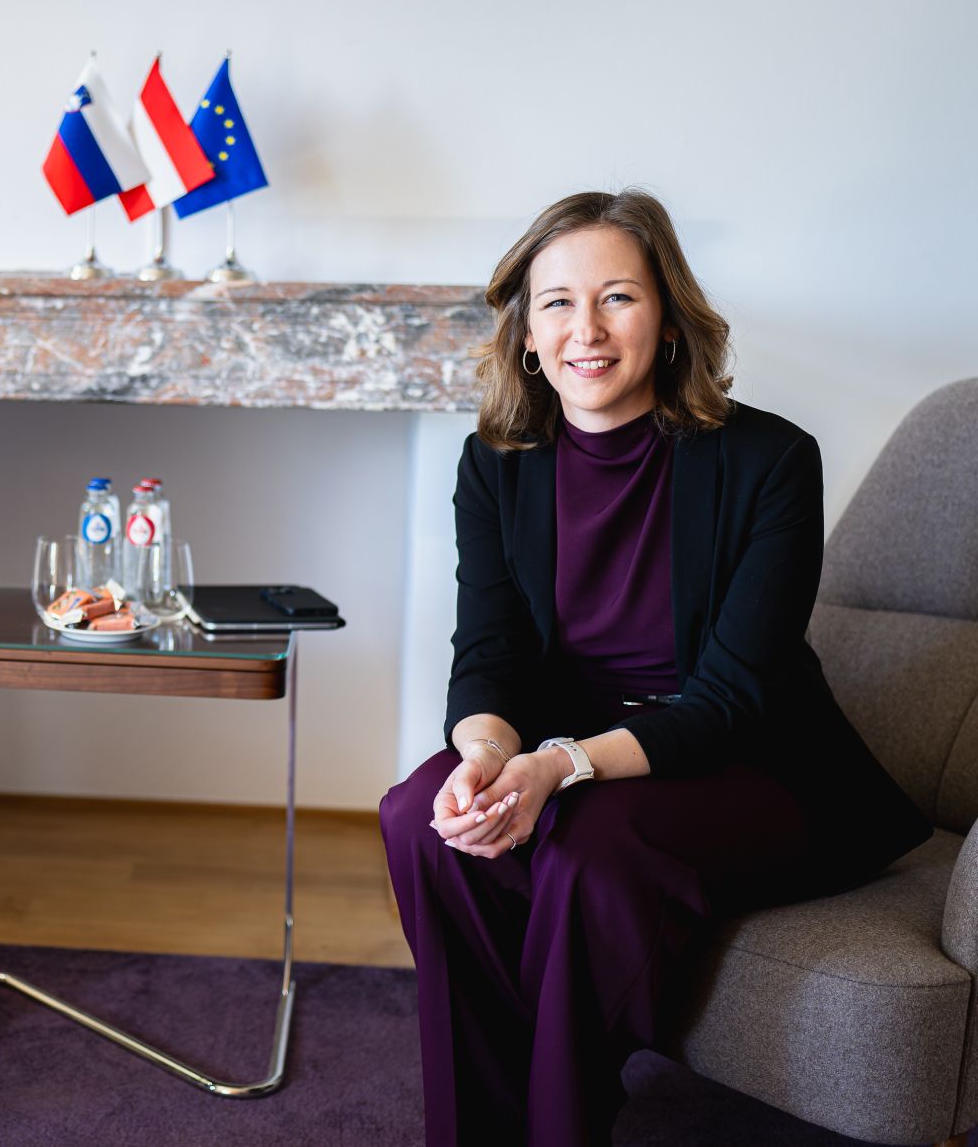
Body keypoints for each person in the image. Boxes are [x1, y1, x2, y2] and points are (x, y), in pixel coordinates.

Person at [377, 189, 930, 1147]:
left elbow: (733, 697)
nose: (585, 329)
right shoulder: (494, 462)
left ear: (668, 320)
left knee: (594, 853)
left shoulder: (771, 460)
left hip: (753, 765)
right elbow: (490, 652)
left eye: (617, 298)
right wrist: (484, 752)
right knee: (421, 820)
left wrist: (555, 768)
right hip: (566, 745)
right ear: (526, 334)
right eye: (556, 302)